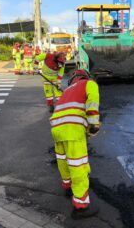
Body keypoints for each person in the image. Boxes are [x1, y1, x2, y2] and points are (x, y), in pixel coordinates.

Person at [50, 69, 100, 219]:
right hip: (72, 129)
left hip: (56, 129)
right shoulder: (89, 84)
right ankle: (80, 206)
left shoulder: (66, 91)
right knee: (78, 165)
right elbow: (92, 105)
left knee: (63, 160)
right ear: (86, 77)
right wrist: (93, 126)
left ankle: (67, 186)